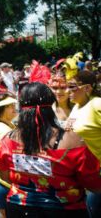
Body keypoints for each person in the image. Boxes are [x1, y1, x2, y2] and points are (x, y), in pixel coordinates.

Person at [0, 82, 101, 217]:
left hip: (19, 208)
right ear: (51, 103)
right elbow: (92, 182)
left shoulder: (7, 140)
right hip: (64, 210)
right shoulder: (72, 140)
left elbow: (5, 176)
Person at [65, 70, 101, 217]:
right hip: (84, 172)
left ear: (87, 88)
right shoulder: (77, 105)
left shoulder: (96, 104)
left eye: (72, 86)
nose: (68, 90)